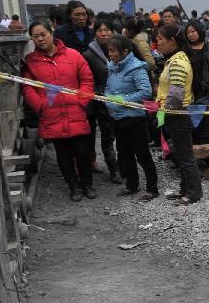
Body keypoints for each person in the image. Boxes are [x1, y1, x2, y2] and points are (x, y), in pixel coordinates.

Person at [21, 19, 96, 201]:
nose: (40, 39)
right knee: (63, 155)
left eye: (43, 34)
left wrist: (82, 100)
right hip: (52, 114)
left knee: (82, 153)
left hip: (75, 111)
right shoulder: (31, 62)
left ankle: (87, 184)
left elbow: (86, 78)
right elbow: (27, 87)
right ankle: (74, 187)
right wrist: (40, 105)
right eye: (35, 37)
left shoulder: (73, 55)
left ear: (51, 32)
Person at [104, 34, 157, 201]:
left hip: (134, 118)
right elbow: (108, 89)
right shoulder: (112, 67)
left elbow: (145, 92)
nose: (110, 54)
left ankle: (152, 188)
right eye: (109, 51)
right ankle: (132, 185)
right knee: (124, 154)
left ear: (125, 51)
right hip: (118, 118)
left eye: (113, 51)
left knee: (142, 154)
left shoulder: (137, 68)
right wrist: (109, 101)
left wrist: (121, 101)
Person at [156, 23, 203, 205]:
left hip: (177, 113)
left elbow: (176, 95)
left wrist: (162, 110)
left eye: (160, 39)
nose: (157, 43)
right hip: (176, 113)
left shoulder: (177, 62)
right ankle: (186, 189)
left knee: (185, 156)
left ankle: (193, 193)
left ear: (172, 41)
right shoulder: (177, 59)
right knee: (182, 154)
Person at [81, 18, 121, 183]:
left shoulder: (122, 48)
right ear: (94, 32)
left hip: (123, 100)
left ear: (112, 31)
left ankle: (124, 166)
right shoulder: (88, 55)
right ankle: (113, 170)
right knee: (107, 137)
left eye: (107, 30)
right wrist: (101, 96)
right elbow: (87, 80)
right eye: (99, 30)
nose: (103, 33)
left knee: (123, 136)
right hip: (102, 103)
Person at [185, 19, 209, 144]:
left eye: (193, 31)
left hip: (207, 86)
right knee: (193, 114)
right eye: (188, 32)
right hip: (190, 87)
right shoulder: (185, 48)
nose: (191, 34)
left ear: (199, 31)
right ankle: (197, 139)